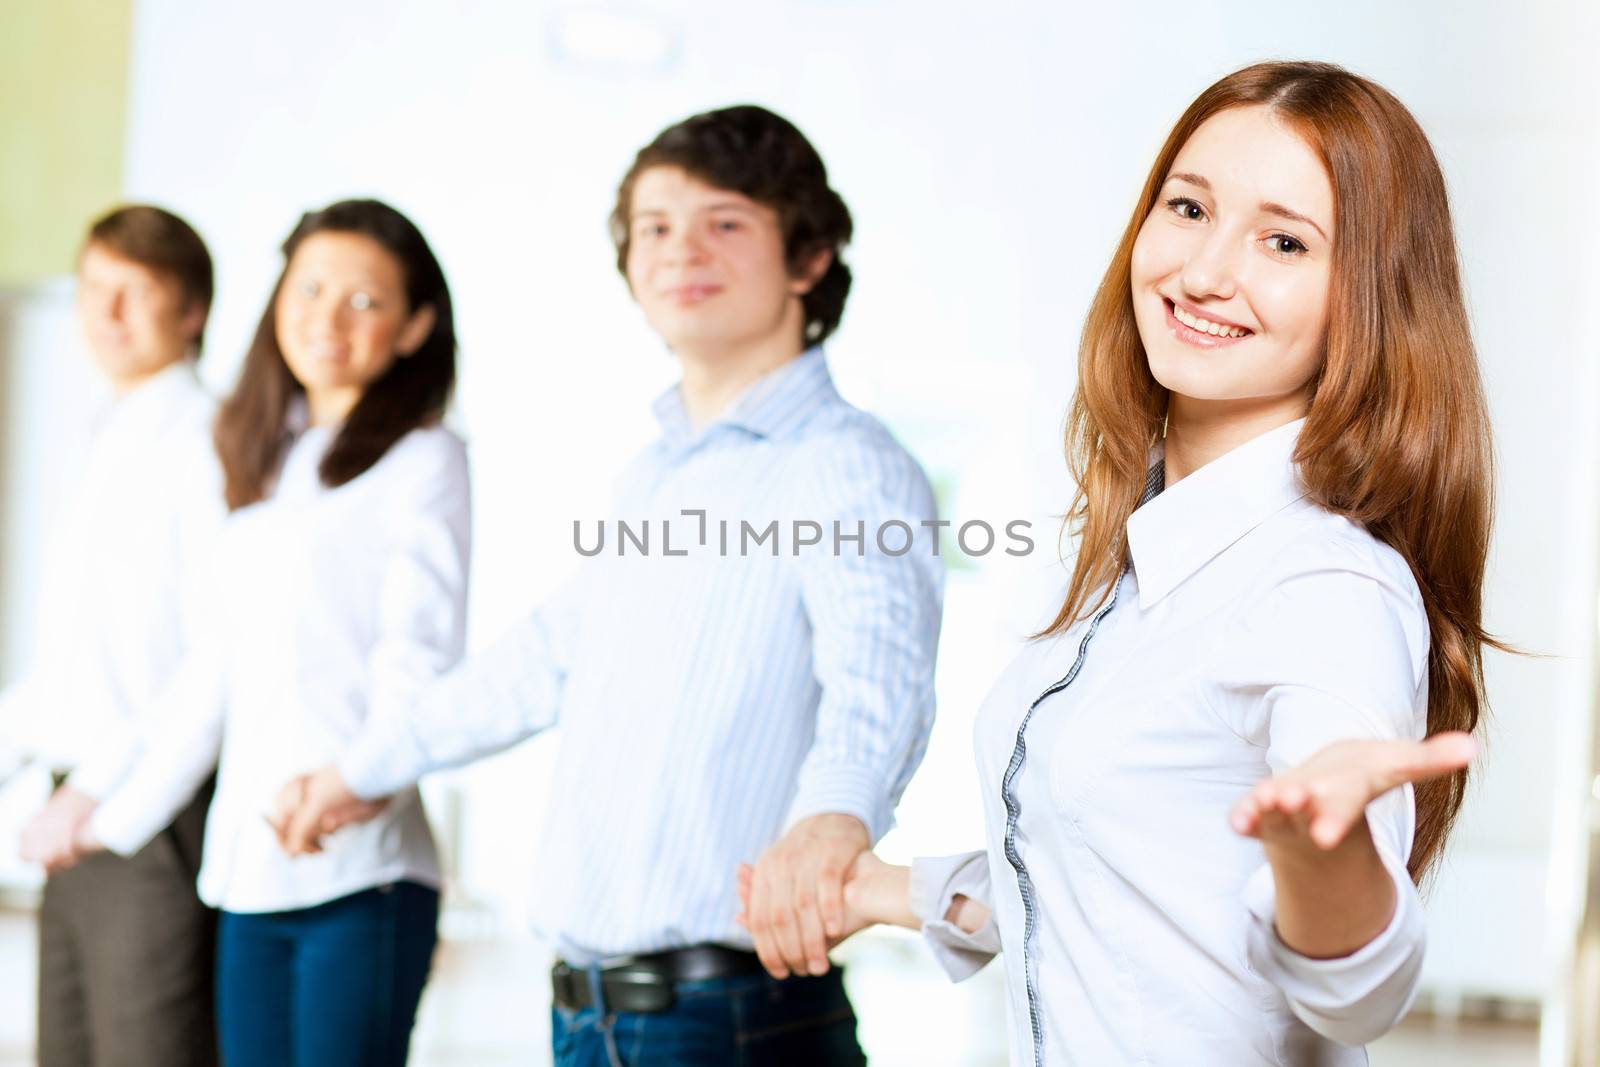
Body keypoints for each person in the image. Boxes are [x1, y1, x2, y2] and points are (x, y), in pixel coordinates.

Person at [742, 61, 1500, 1066]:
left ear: (1365, 298)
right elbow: (1124, 879)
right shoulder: (1145, 554)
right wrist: (885, 889)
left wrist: (1325, 858)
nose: (1202, 271)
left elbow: (1359, 989)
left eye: (1282, 240)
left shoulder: (1321, 583)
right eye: (1187, 208)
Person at [276, 105, 944, 1066]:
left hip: (726, 1020)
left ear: (808, 260)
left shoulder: (844, 463)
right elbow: (545, 656)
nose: (680, 251)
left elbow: (878, 678)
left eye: (724, 222)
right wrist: (359, 770)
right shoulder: (657, 475)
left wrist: (837, 817)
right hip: (596, 1015)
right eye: (654, 228)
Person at [70, 199, 468, 1067]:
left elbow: (419, 656)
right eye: (310, 286)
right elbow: (214, 668)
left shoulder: (424, 459)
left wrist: (354, 779)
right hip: (247, 869)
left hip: (360, 869)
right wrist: (109, 810)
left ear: (414, 326)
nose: (327, 316)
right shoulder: (259, 456)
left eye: (363, 299)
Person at [3, 204, 222, 1067]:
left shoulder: (205, 437)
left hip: (142, 824)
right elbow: (83, 666)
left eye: (135, 291)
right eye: (94, 289)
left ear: (192, 310)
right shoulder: (107, 436)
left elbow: (213, 656)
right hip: (72, 820)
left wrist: (91, 794)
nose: (108, 314)